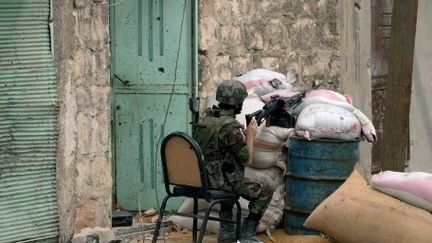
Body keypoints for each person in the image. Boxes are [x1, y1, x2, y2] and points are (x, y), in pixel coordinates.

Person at [194, 79, 273, 243]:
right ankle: (247, 234)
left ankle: (227, 233)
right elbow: (247, 159)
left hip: (201, 179)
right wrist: (250, 135)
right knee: (266, 190)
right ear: (238, 103)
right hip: (219, 182)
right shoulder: (229, 127)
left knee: (229, 174)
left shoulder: (204, 120)